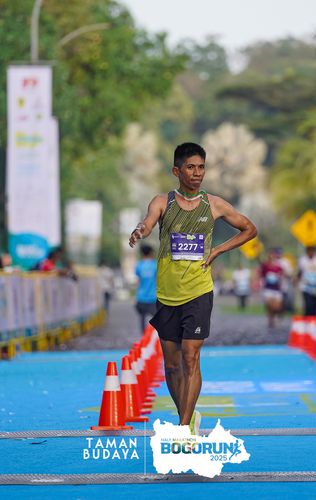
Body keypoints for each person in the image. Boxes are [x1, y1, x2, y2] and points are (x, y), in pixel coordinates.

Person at [128, 142, 257, 435]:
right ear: (177, 171)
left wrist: (218, 250)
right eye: (190, 167)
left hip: (199, 291)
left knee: (190, 356)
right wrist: (139, 231)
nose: (197, 173)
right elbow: (148, 223)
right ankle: (187, 415)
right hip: (167, 294)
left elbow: (249, 229)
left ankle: (184, 429)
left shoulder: (214, 204)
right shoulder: (163, 202)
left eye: (201, 167)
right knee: (172, 366)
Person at [258, 249, 286, 328]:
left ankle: (277, 315)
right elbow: (260, 273)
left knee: (277, 307)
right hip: (268, 289)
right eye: (270, 256)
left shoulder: (279, 267)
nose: (272, 258)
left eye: (273, 256)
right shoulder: (265, 266)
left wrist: (282, 284)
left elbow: (282, 276)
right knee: (270, 305)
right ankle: (271, 320)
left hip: (277, 289)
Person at [134, 244, 157, 334]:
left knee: (142, 320)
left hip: (141, 297)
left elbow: (138, 281)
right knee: (157, 321)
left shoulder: (139, 265)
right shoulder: (155, 265)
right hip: (153, 297)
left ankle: (144, 338)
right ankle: (154, 339)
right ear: (151, 253)